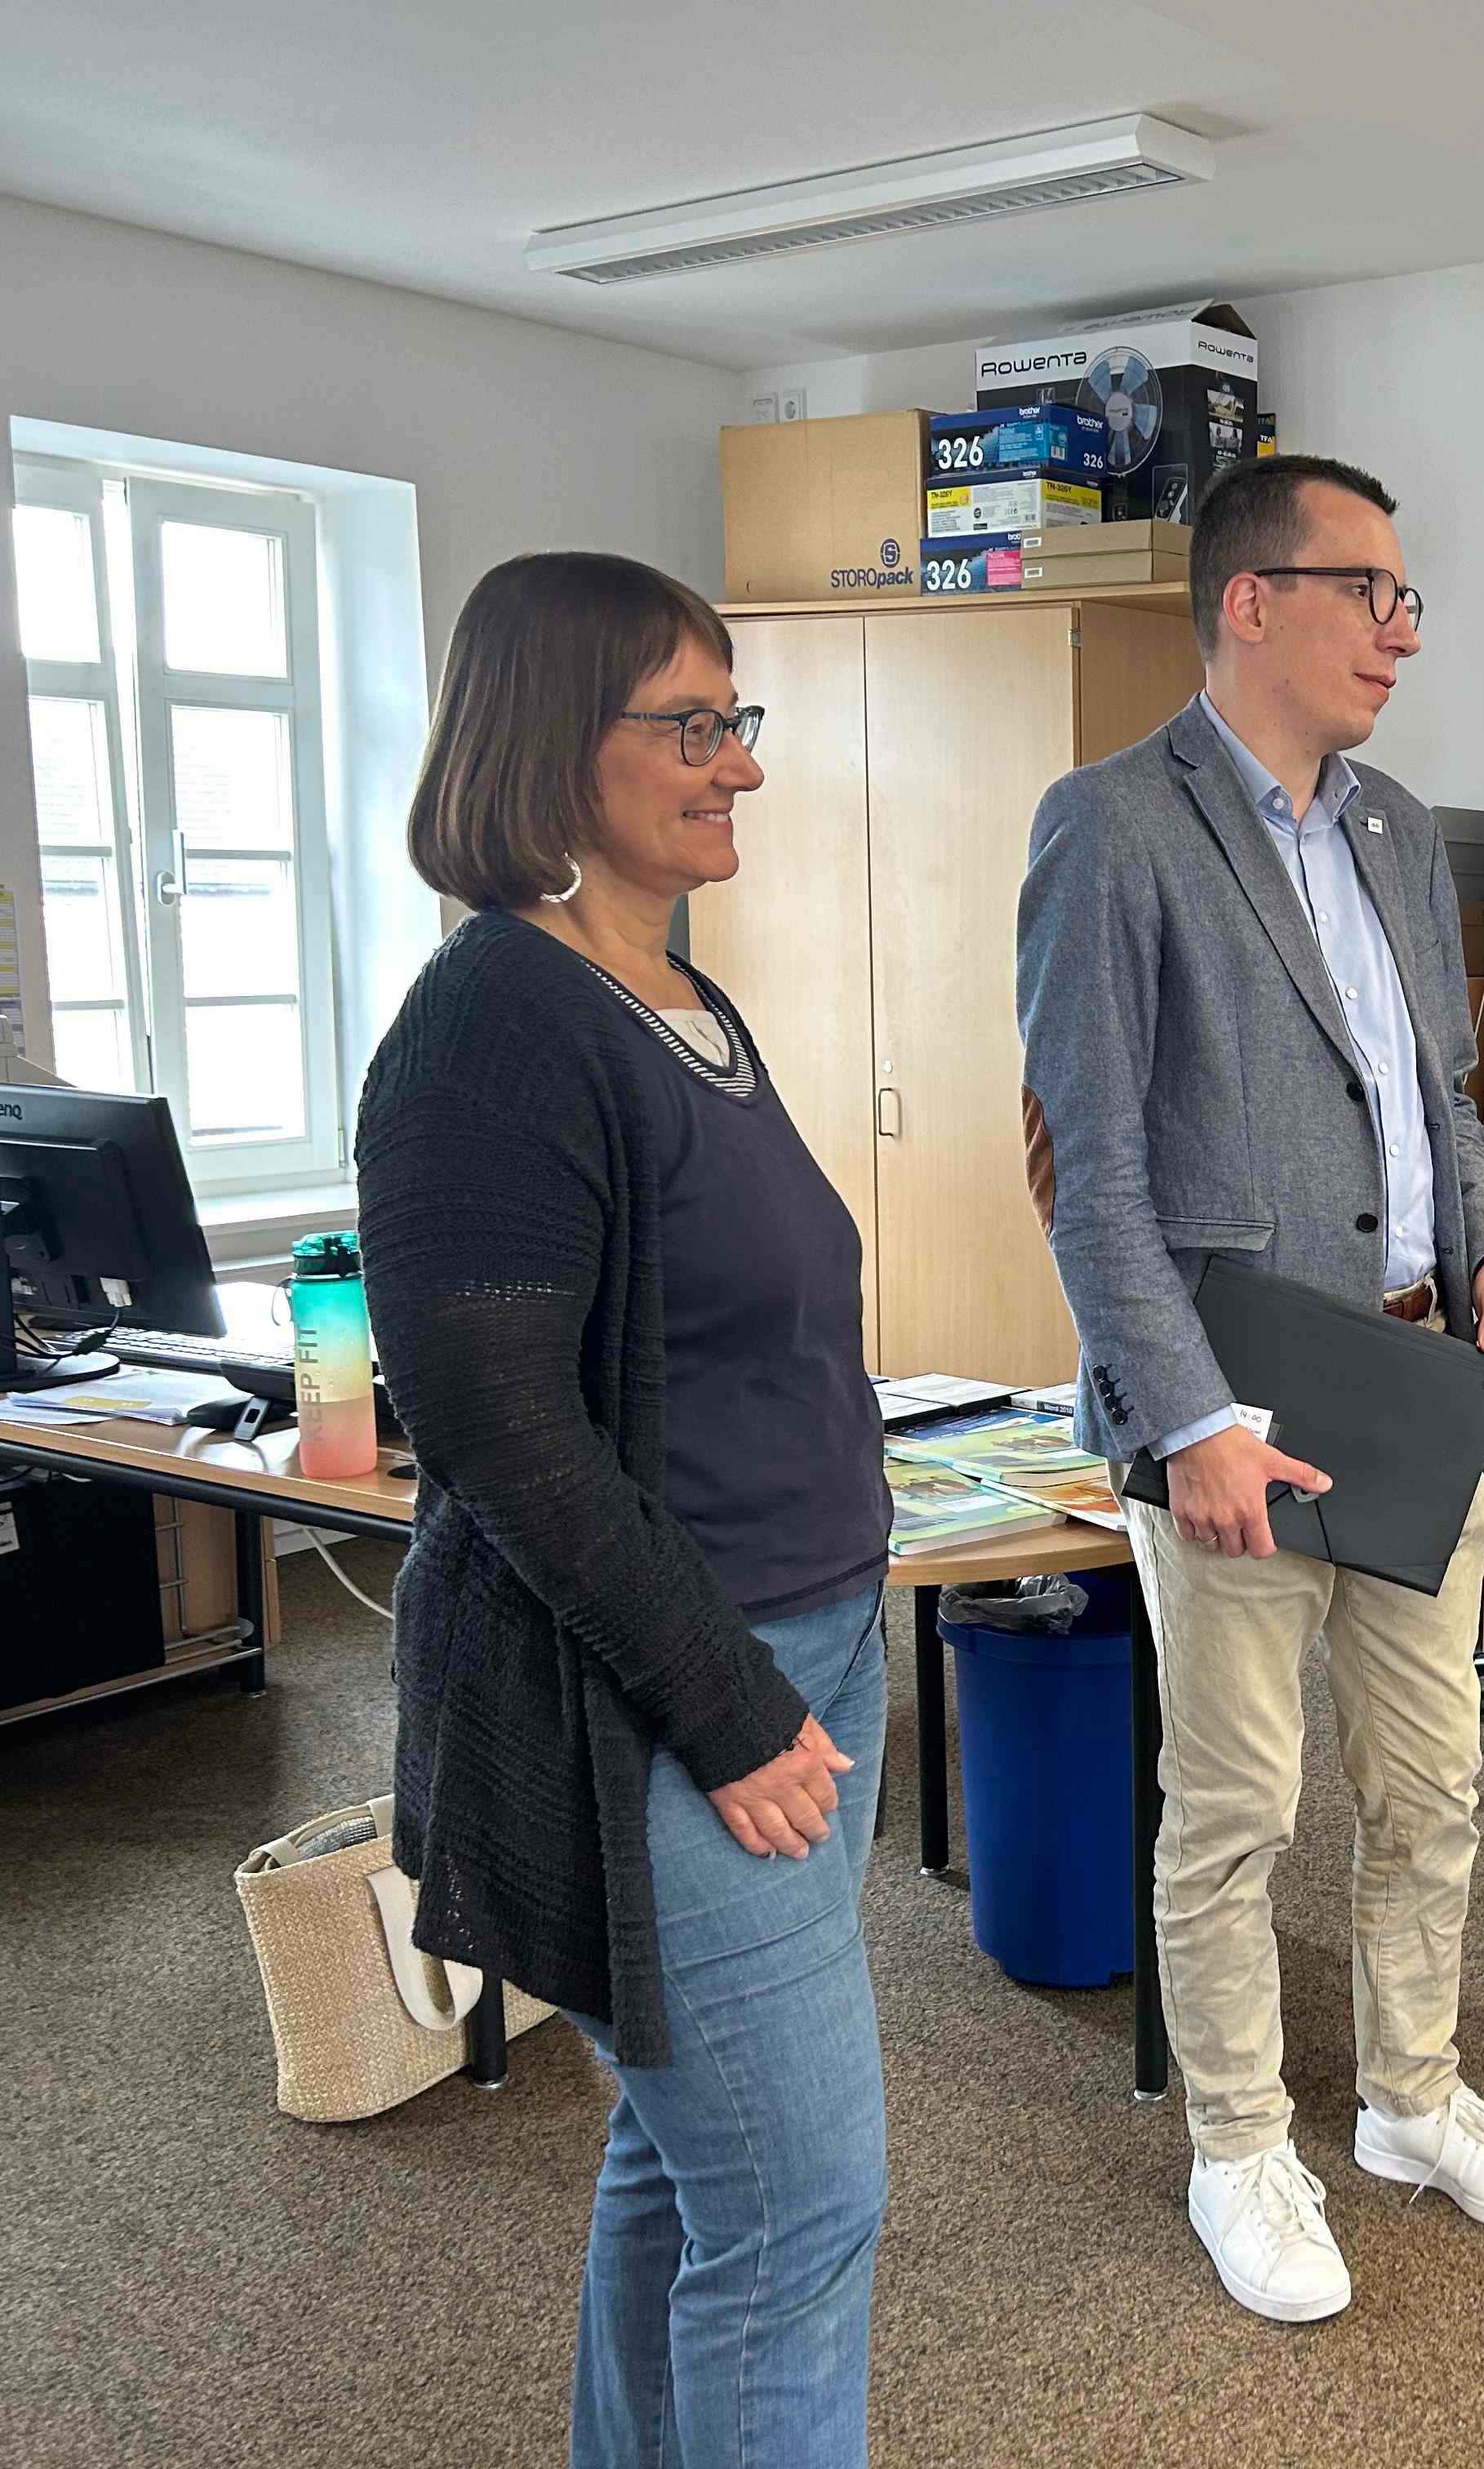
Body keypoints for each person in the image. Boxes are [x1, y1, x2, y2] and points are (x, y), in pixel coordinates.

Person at [359, 554, 896, 2467]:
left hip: (815, 1642)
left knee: (694, 2177)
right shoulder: (494, 1021)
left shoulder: (673, 989)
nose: (736, 765)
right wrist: (735, 1711)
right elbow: (490, 1421)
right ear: (549, 745)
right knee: (798, 2201)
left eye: (734, 721)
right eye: (690, 725)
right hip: (677, 1693)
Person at [1016, 452, 1484, 2325]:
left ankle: (1411, 2098)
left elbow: (1445, 1095)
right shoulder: (1114, 826)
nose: (1404, 629)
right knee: (1236, 1804)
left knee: (1437, 1782)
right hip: (1234, 1402)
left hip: (1409, 1378)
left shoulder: (1404, 828)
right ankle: (1241, 2145)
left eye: (1413, 598)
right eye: (1370, 591)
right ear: (1253, 602)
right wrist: (1184, 1423)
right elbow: (1089, 1169)